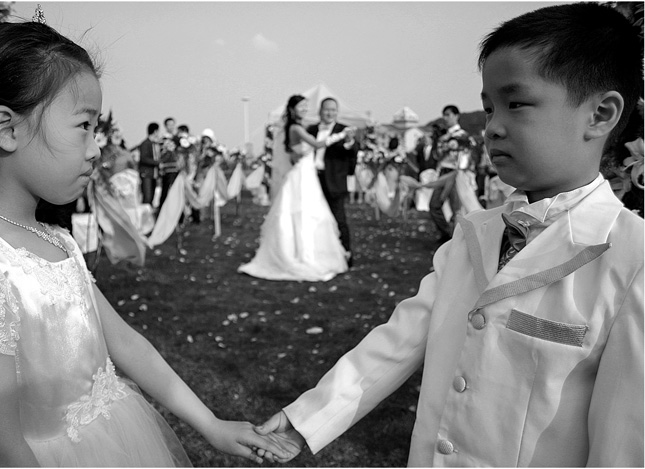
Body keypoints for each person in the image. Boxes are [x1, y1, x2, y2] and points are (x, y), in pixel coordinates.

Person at [256, 3, 643, 466]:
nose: (492, 127)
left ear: (600, 114)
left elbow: (624, 440)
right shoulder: (473, 234)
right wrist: (307, 418)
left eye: (516, 104)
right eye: (488, 108)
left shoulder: (631, 259)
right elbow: (399, 340)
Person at [0, 19, 290, 466]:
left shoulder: (57, 239)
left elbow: (125, 344)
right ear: (7, 129)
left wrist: (211, 424)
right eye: (83, 126)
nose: (95, 149)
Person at [238, 95, 353, 282]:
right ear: (292, 109)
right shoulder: (297, 128)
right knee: (302, 213)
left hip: (309, 174)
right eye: (301, 106)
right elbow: (316, 144)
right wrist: (341, 135)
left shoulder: (297, 128)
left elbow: (294, 153)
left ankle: (315, 252)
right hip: (302, 176)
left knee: (318, 215)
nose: (305, 109)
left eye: (306, 106)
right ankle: (300, 253)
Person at [306, 97, 359, 266]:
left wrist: (349, 142)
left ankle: (345, 254)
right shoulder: (311, 130)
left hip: (334, 181)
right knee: (313, 218)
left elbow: (352, 152)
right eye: (327, 109)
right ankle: (317, 253)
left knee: (338, 219)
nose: (330, 113)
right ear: (320, 111)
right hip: (312, 180)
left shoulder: (344, 130)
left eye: (333, 110)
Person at [429, 105, 471, 243]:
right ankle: (447, 233)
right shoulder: (443, 136)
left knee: (456, 207)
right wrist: (437, 141)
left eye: (448, 115)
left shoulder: (462, 135)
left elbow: (466, 156)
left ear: (456, 115)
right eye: (444, 115)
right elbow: (436, 156)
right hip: (443, 171)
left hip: (455, 172)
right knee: (434, 205)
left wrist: (461, 173)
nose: (445, 118)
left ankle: (456, 238)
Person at [138, 121, 162, 207]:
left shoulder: (154, 144)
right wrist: (157, 162)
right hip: (146, 173)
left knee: (151, 196)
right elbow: (143, 158)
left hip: (153, 174)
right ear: (155, 131)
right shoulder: (145, 143)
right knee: (147, 197)